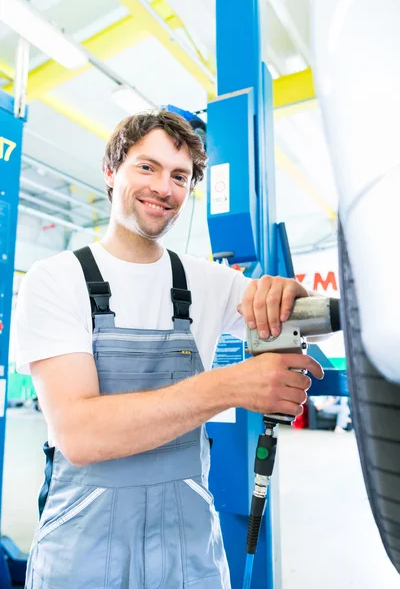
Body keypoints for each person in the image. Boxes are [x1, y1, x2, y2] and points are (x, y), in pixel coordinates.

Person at [15, 110, 324, 589]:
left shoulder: (206, 282)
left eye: (179, 176)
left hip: (187, 546)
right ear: (111, 171)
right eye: (147, 167)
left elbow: (307, 323)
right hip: (83, 546)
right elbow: (80, 434)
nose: (164, 187)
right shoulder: (56, 279)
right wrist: (228, 386)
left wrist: (291, 295)